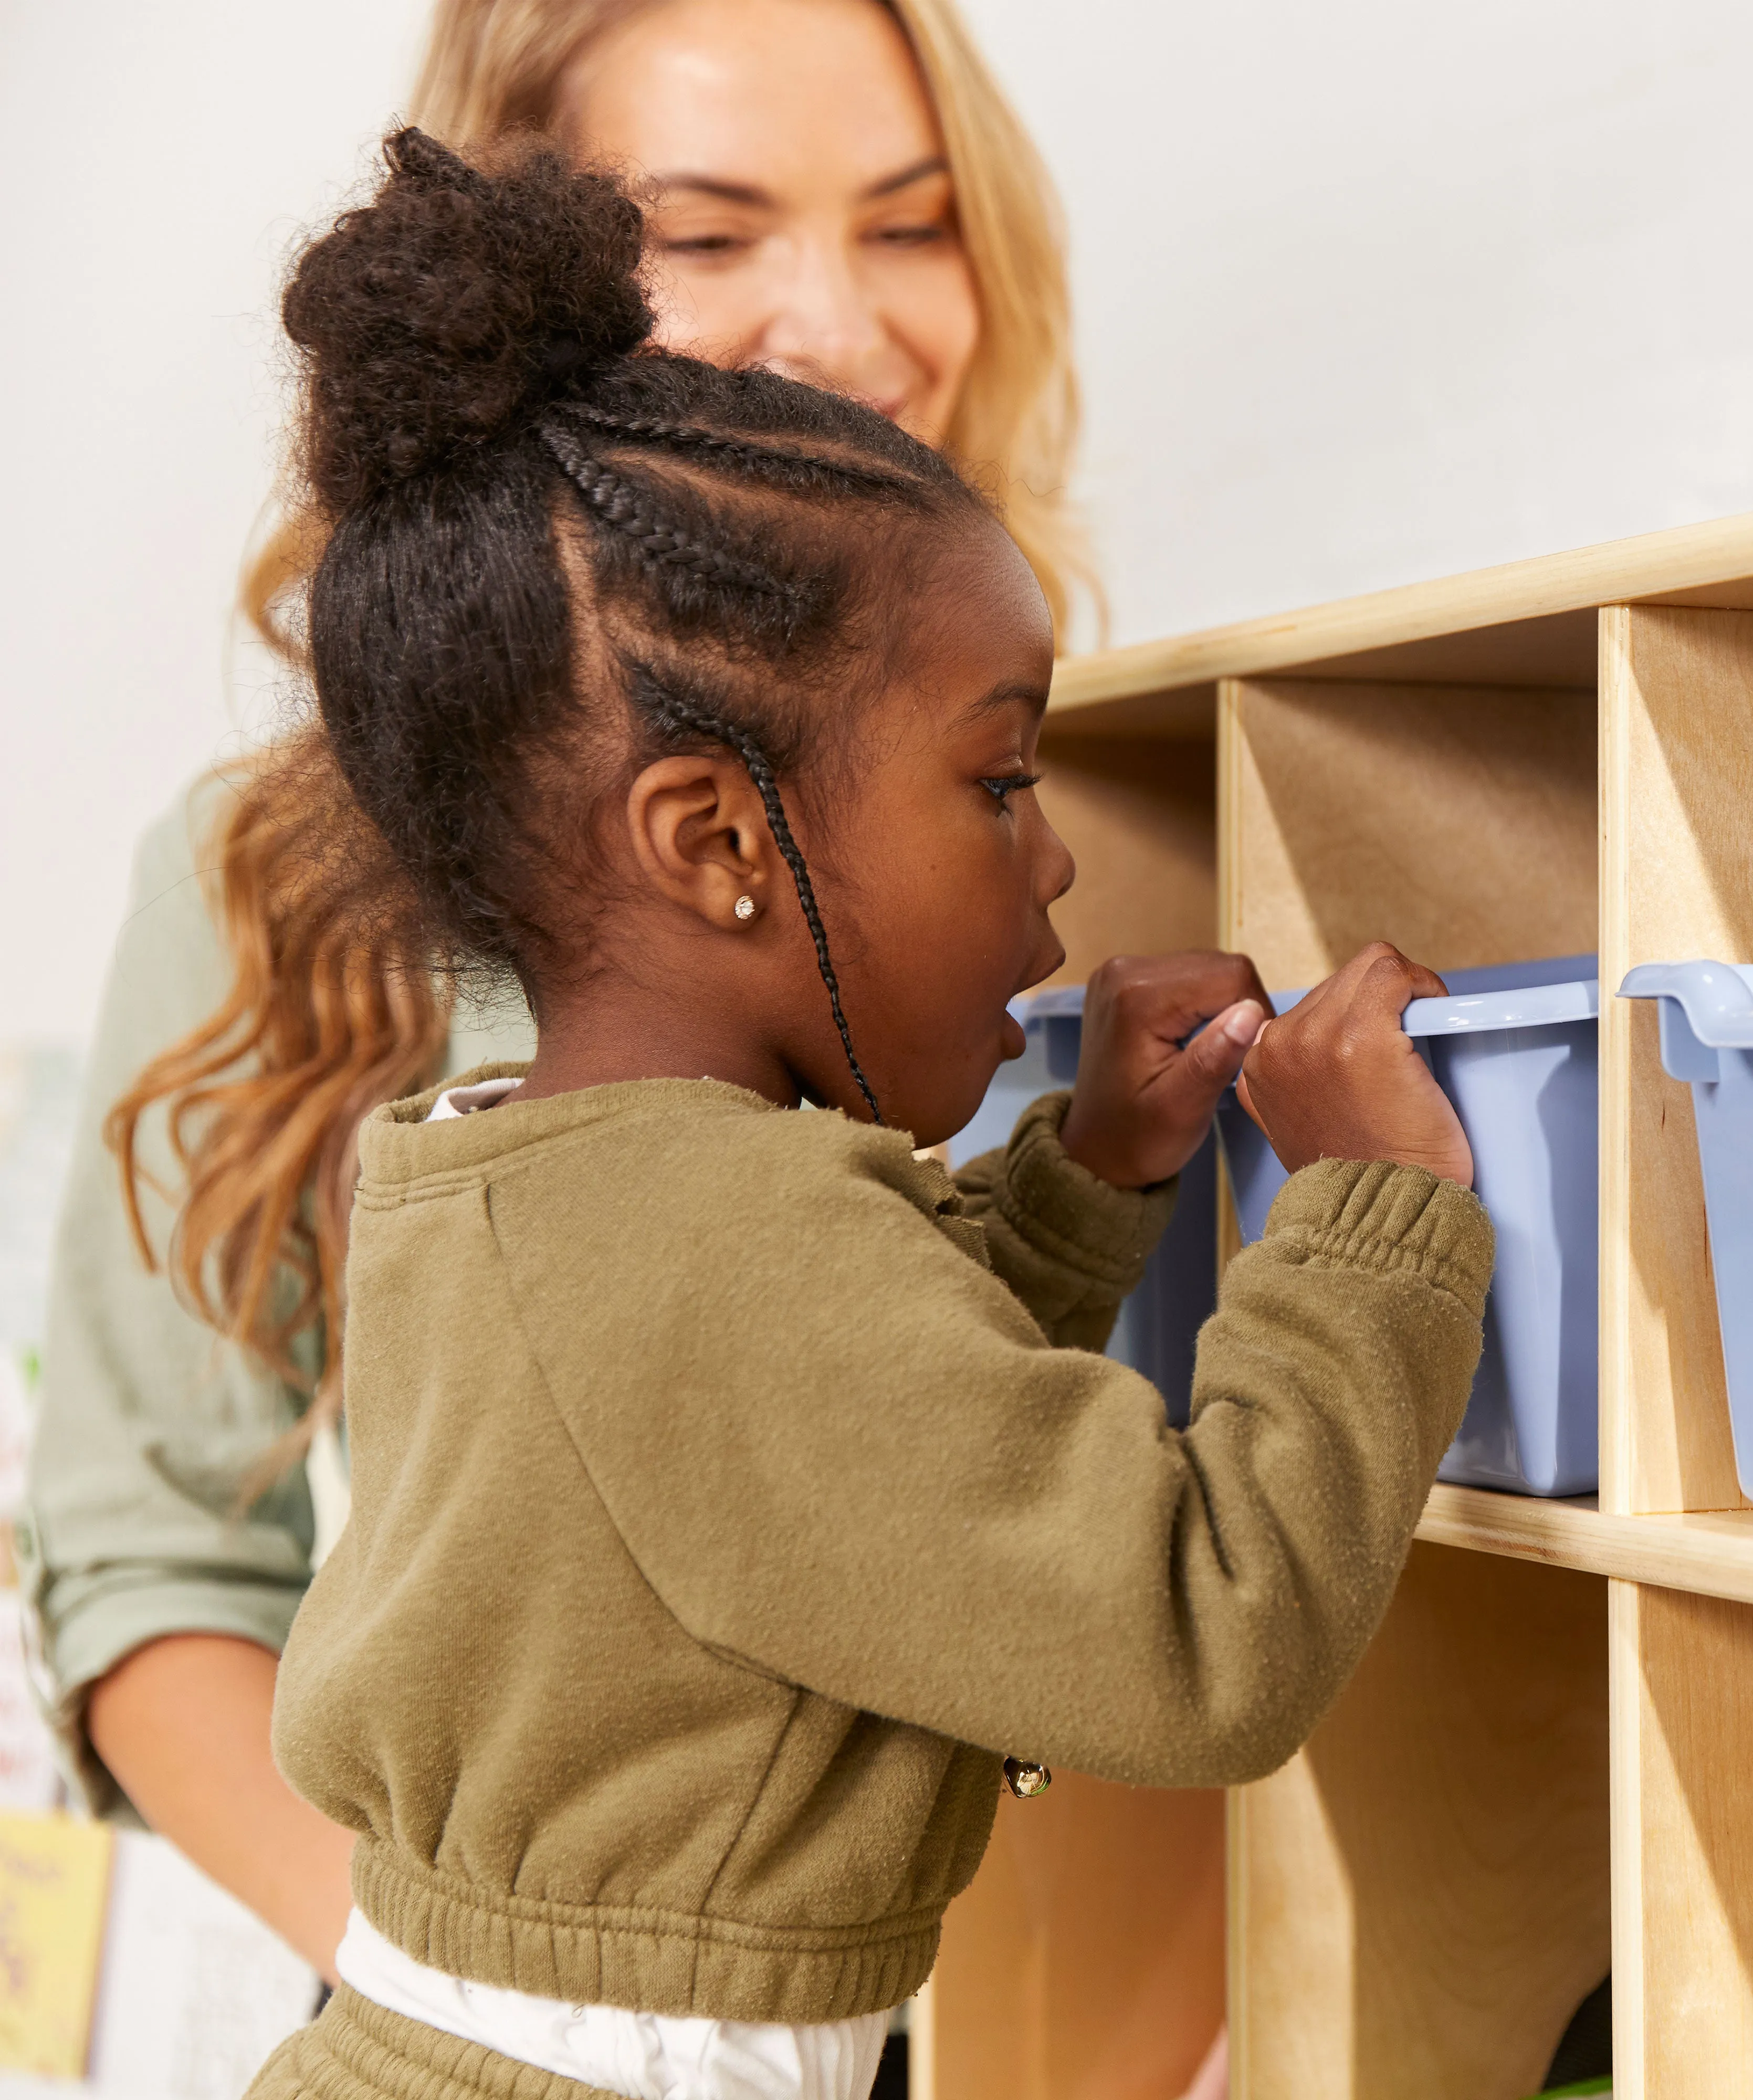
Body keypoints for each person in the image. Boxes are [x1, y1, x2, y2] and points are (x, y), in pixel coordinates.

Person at [243, 129, 1489, 2100]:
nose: (1063, 863)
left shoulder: (521, 1173)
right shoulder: (718, 1236)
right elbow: (1196, 1634)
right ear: (718, 838)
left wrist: (1083, 1185)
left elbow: (846, 1454)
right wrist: (1372, 1217)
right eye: (999, 784)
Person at [24, 0, 1089, 1986]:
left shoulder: (1115, 795)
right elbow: (150, 1557)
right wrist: (478, 1983)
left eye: (911, 224)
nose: (840, 323)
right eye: (709, 230)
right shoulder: (267, 880)